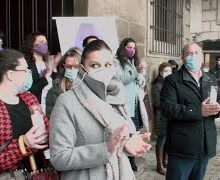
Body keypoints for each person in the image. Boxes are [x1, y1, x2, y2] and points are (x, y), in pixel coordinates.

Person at [49, 40, 151, 180]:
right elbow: (59, 158)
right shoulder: (67, 101)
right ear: (82, 68)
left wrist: (128, 142)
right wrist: (105, 149)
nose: (103, 70)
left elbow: (121, 142)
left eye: (108, 65)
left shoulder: (118, 97)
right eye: (95, 65)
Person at [0, 49, 49, 176]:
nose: (29, 74)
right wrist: (23, 144)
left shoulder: (29, 98)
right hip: (8, 176)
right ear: (11, 74)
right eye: (25, 70)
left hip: (40, 172)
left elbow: (47, 128)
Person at [161, 43, 220, 180]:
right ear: (183, 58)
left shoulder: (210, 78)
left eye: (197, 53)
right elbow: (168, 108)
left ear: (202, 57)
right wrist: (198, 110)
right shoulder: (172, 80)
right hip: (182, 147)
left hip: (204, 145)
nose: (193, 56)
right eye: (189, 54)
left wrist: (218, 109)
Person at [114, 38, 149, 171]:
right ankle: (126, 158)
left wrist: (140, 77)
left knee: (135, 130)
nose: (132, 50)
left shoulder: (134, 61)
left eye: (134, 48)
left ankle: (132, 158)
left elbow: (141, 83)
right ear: (123, 47)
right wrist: (136, 72)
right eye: (129, 47)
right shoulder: (116, 61)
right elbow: (120, 79)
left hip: (135, 102)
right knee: (125, 131)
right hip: (125, 102)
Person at [22, 32, 61, 104]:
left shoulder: (47, 62)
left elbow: (56, 84)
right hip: (36, 104)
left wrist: (54, 67)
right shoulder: (27, 65)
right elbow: (31, 90)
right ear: (33, 45)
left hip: (51, 103)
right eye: (41, 42)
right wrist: (47, 74)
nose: (45, 45)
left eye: (46, 42)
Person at [45, 47, 82, 119]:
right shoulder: (56, 90)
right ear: (63, 67)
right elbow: (53, 118)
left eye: (77, 66)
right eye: (68, 66)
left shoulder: (91, 86)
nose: (72, 69)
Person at [151, 62, 172, 175]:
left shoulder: (169, 83)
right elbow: (156, 102)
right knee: (161, 140)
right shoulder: (157, 84)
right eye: (166, 71)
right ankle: (159, 164)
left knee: (168, 139)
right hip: (161, 117)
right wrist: (170, 104)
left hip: (169, 116)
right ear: (160, 72)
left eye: (170, 71)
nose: (168, 73)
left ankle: (165, 161)